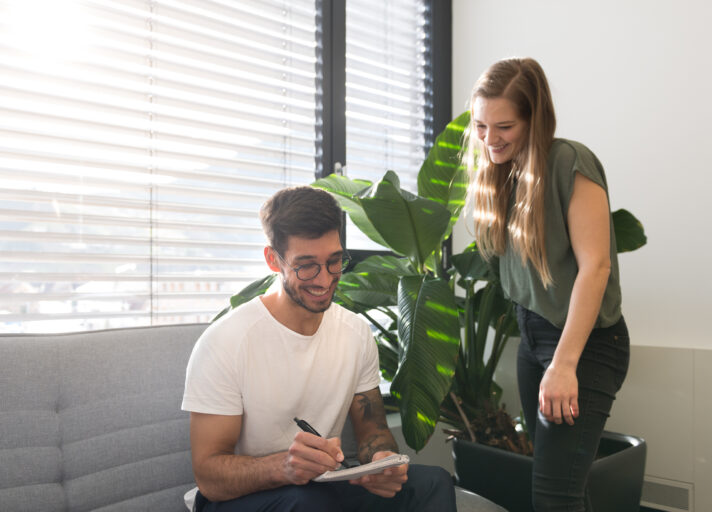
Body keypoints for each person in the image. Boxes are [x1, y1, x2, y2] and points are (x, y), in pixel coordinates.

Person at [182, 186, 456, 511]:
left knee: (433, 482)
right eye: (306, 265)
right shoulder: (225, 341)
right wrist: (283, 467)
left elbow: (373, 430)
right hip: (239, 499)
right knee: (307, 503)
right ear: (273, 260)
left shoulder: (355, 333)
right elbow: (209, 477)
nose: (325, 280)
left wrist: (380, 462)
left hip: (319, 488)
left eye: (334, 261)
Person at [463, 57, 630, 512]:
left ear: (534, 121)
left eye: (505, 126)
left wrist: (564, 363)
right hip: (533, 337)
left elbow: (596, 267)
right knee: (563, 487)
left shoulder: (569, 162)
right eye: (481, 126)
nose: (490, 139)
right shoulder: (502, 175)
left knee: (555, 497)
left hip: (585, 344)